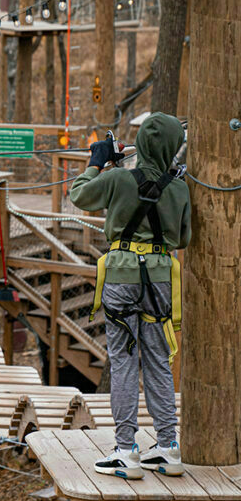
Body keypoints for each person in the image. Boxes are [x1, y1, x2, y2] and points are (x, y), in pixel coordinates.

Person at [69, 113, 189, 480]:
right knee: (157, 360)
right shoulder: (180, 187)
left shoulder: (118, 178)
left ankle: (125, 450)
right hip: (160, 279)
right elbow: (182, 240)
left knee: (124, 360)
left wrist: (96, 161)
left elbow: (79, 195)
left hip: (121, 276)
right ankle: (168, 446)